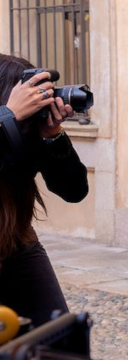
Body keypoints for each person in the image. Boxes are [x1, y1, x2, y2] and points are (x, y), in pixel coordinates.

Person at [0, 54, 88, 326]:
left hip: (16, 241)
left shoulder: (28, 132)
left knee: (56, 335)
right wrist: (8, 117)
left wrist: (53, 134)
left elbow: (74, 190)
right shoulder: (9, 123)